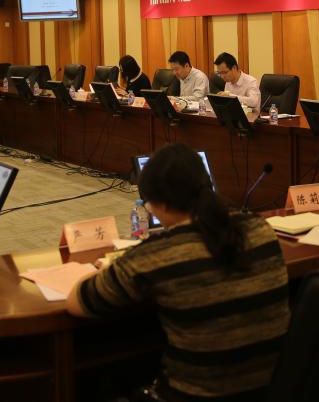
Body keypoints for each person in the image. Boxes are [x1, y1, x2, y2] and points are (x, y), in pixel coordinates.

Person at [68, 143, 290, 401]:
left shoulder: (156, 255)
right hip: (271, 389)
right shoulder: (259, 229)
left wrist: (108, 268)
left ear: (159, 204)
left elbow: (77, 302)